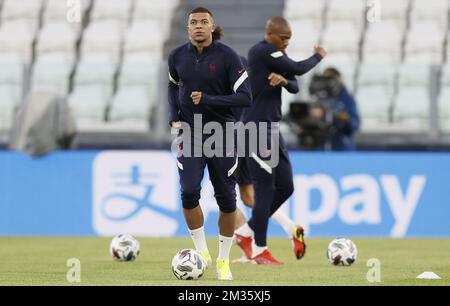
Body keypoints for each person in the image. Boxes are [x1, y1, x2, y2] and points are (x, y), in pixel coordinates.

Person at [168, 7, 252, 280]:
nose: (198, 26)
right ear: (188, 27)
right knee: (189, 192)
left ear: (213, 27)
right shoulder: (177, 56)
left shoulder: (227, 57)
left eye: (204, 22)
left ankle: (223, 260)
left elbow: (245, 97)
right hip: (190, 134)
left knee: (227, 201)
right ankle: (202, 253)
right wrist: (173, 117)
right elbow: (172, 85)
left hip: (222, 133)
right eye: (193, 22)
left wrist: (208, 100)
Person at [235, 16, 327, 265]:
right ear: (270, 34)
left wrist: (284, 80)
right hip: (255, 129)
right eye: (283, 38)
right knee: (262, 190)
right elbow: (297, 68)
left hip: (272, 129)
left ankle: (246, 233)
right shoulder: (262, 51)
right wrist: (318, 56)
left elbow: (295, 85)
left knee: (286, 186)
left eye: (289, 39)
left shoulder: (275, 58)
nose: (286, 43)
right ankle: (259, 249)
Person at [233, 58, 307, 262]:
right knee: (249, 197)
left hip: (234, 135)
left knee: (228, 198)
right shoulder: (244, 62)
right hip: (249, 131)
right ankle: (289, 226)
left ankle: (250, 249)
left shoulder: (222, 63)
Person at [322, 67, 360, 151]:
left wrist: (345, 119)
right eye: (325, 79)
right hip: (321, 147)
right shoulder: (319, 99)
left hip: (342, 147)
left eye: (330, 79)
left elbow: (356, 124)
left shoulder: (347, 99)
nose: (327, 82)